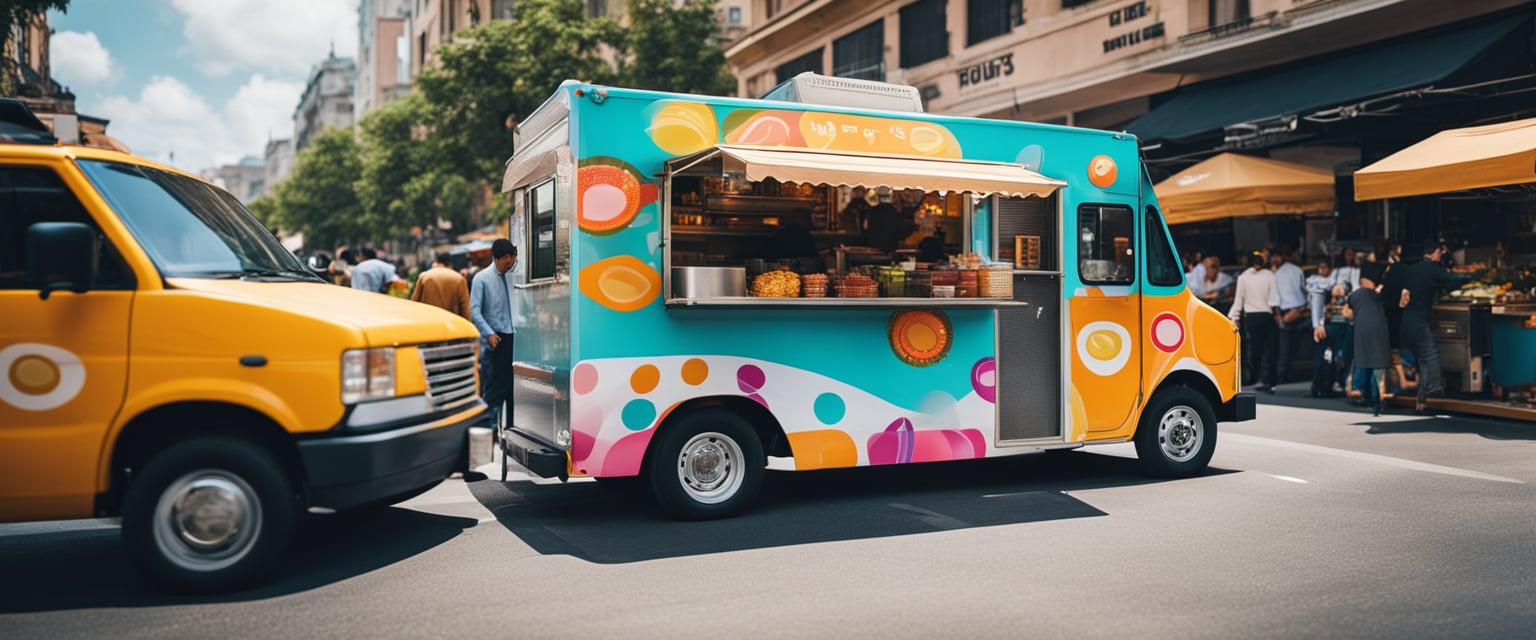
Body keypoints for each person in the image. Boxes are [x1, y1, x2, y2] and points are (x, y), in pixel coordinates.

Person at [1397, 240, 1462, 411]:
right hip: (1419, 321)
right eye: (1440, 253)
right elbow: (1452, 280)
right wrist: (1474, 277)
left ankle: (1422, 399)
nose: (1441, 256)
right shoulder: (1432, 269)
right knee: (1430, 356)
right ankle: (1433, 393)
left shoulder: (1411, 269)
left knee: (1423, 360)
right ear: (1434, 252)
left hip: (1406, 320)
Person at [471, 239, 519, 428]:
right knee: (493, 390)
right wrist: (489, 333)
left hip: (511, 337)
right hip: (494, 341)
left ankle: (508, 429)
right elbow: (474, 311)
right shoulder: (481, 279)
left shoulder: (511, 277)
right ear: (496, 259)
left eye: (512, 256)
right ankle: (487, 431)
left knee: (511, 389)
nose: (510, 261)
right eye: (505, 258)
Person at [1230, 252, 1281, 393]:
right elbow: (1274, 298)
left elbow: (1238, 301)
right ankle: (1272, 382)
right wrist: (1277, 315)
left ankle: (1257, 379)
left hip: (1251, 317)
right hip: (1267, 315)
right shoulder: (1270, 275)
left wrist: (1235, 318)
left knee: (1256, 350)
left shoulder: (1243, 277)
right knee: (1272, 350)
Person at [1346, 264, 1392, 416]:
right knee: (1378, 366)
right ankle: (1378, 397)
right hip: (1380, 331)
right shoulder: (1381, 294)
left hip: (1362, 333)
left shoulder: (1356, 295)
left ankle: (1360, 391)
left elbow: (1347, 311)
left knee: (1363, 362)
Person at [1306, 261, 1343, 397]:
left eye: (1324, 267)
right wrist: (1317, 326)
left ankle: (1326, 385)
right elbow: (1316, 307)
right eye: (1319, 267)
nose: (1322, 270)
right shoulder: (1315, 283)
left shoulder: (1329, 282)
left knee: (1329, 359)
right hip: (1321, 326)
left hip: (1329, 325)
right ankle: (1318, 386)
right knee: (1320, 359)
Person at [1271, 251, 1308, 383]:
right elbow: (1305, 289)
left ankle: (1282, 376)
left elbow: (1274, 297)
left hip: (1285, 313)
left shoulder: (1275, 274)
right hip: (1300, 310)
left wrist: (1278, 316)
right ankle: (1293, 372)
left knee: (1284, 349)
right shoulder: (1298, 270)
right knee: (1297, 346)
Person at [411, 251, 472, 320]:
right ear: (451, 264)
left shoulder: (424, 276)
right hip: (451, 323)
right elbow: (465, 308)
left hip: (427, 321)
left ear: (437, 261)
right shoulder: (459, 278)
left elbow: (414, 302)